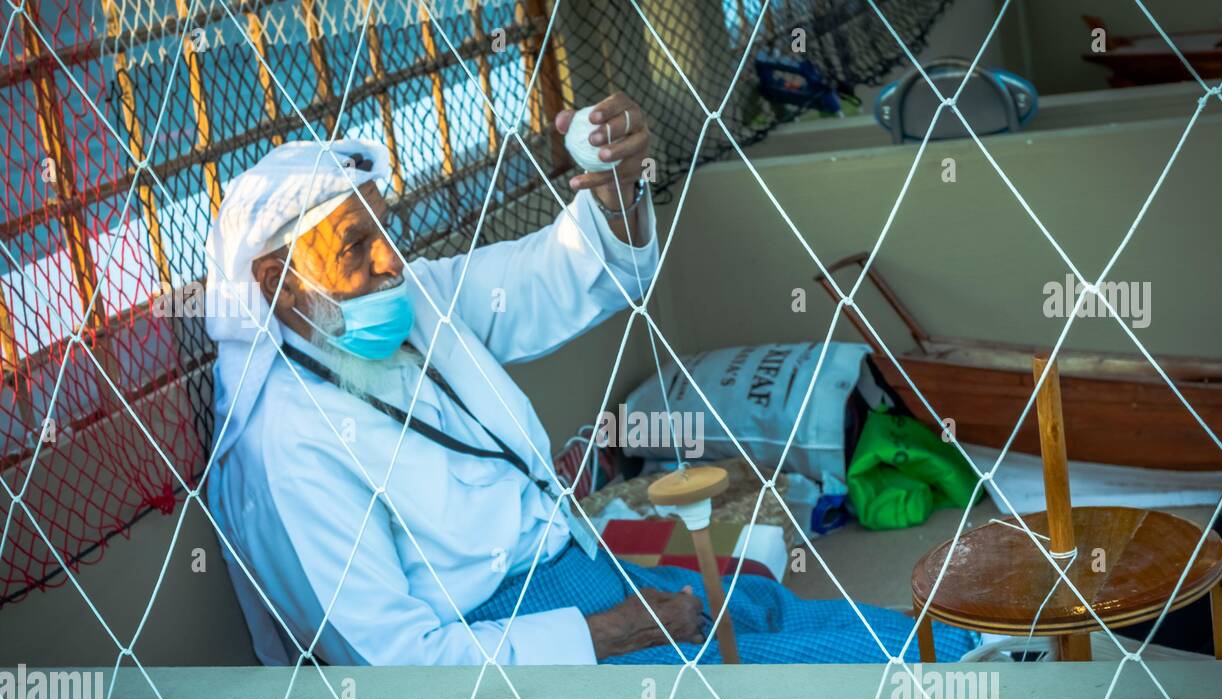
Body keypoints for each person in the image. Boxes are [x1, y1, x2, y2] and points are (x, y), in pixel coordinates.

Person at [205, 92, 975, 666]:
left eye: (383, 230)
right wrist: (626, 628)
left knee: (765, 605)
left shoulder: (413, 305)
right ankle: (993, 698)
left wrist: (614, 190)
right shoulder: (285, 450)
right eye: (354, 248)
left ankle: (997, 643)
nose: (391, 261)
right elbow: (397, 668)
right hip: (516, 649)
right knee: (792, 676)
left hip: (577, 561)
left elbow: (562, 275)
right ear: (278, 283)